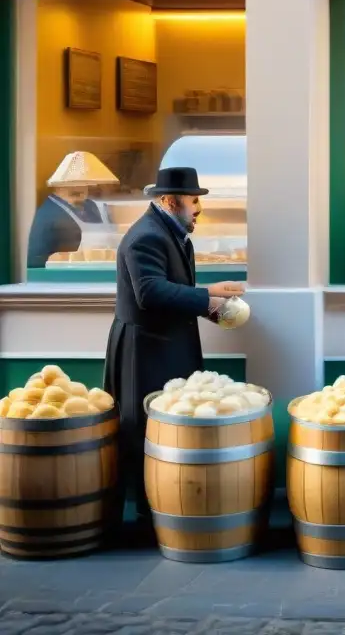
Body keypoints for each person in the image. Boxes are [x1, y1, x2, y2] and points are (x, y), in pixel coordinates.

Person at [103, 167, 246, 523]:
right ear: (170, 201)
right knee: (146, 426)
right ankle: (147, 507)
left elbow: (169, 288)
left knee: (170, 422)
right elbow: (149, 292)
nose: (199, 207)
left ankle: (168, 499)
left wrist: (208, 300)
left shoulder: (171, 231)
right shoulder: (146, 237)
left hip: (167, 342)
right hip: (146, 347)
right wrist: (206, 299)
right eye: (194, 200)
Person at [27, 151, 119, 268]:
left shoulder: (95, 207)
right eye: (79, 182)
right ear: (61, 185)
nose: (85, 186)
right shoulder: (47, 215)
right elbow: (34, 262)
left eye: (87, 183)